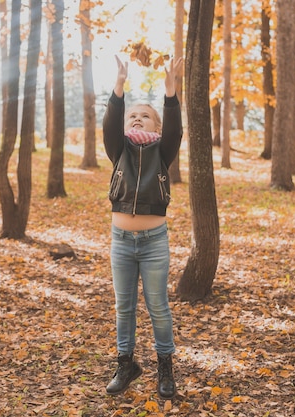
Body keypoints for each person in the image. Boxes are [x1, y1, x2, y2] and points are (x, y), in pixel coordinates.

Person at [102, 55, 183, 399]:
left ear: (156, 127)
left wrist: (170, 93)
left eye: (145, 115)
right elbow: (110, 123)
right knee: (124, 306)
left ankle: (165, 367)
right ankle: (126, 364)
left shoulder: (162, 152)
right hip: (121, 240)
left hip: (153, 242)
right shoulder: (118, 149)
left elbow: (176, 128)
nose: (137, 118)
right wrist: (119, 88)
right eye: (132, 115)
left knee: (157, 306)